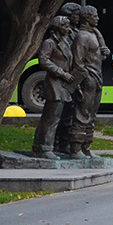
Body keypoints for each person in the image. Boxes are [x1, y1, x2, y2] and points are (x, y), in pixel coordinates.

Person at [31, 14, 75, 158]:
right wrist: (61, 73)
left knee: (62, 118)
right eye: (64, 25)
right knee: (51, 118)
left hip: (65, 85)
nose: (67, 28)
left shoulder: (65, 42)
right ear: (57, 27)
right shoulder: (49, 42)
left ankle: (54, 145)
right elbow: (43, 60)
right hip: (55, 84)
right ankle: (45, 148)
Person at [67, 5, 107, 157]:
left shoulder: (94, 34)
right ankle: (75, 149)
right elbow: (77, 61)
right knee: (82, 113)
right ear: (87, 18)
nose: (97, 18)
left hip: (96, 77)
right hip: (88, 79)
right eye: (95, 16)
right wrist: (86, 78)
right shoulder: (82, 36)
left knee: (91, 114)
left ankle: (86, 147)